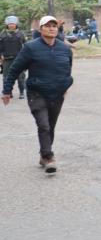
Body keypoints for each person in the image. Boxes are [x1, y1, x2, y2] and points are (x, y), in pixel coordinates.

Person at [2, 16, 73, 174]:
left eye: (54, 26)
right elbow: (15, 69)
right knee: (44, 125)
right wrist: (7, 90)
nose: (52, 28)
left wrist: (66, 85)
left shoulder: (64, 49)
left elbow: (68, 69)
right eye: (47, 26)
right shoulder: (30, 48)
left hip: (56, 94)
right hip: (37, 93)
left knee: (51, 127)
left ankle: (43, 155)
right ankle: (49, 157)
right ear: (41, 29)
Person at [0, 16, 27, 99]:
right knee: (6, 78)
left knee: (20, 77)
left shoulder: (21, 34)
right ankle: (9, 92)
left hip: (19, 59)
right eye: (10, 24)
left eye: (13, 24)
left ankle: (21, 92)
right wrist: (1, 55)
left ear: (16, 24)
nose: (11, 25)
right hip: (7, 59)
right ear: (7, 24)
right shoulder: (3, 33)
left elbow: (26, 46)